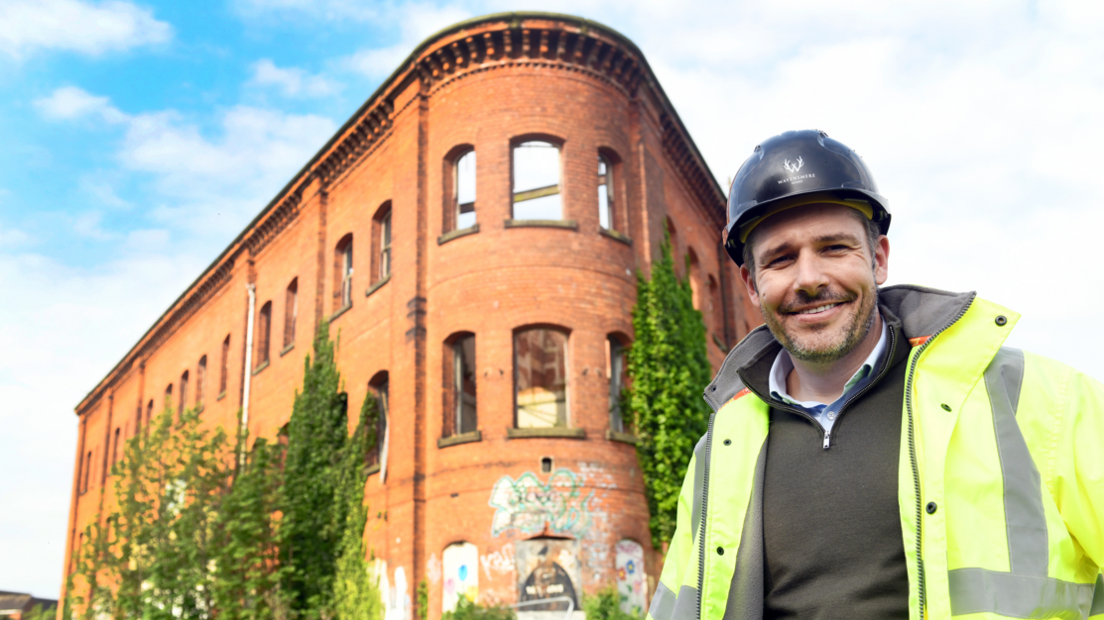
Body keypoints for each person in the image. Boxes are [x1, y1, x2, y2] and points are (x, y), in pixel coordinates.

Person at [647, 130, 1104, 620]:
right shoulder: (719, 453)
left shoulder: (1043, 400)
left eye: (834, 248)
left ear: (878, 259)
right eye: (781, 259)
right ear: (752, 284)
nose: (809, 278)